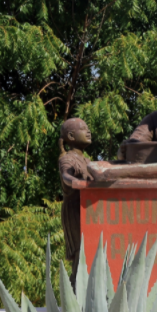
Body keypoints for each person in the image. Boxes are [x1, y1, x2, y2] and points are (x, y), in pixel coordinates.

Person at [58, 118, 93, 281]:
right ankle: (76, 289)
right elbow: (66, 176)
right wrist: (78, 181)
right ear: (71, 136)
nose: (88, 131)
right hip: (75, 210)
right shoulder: (67, 159)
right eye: (83, 129)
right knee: (81, 252)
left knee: (91, 250)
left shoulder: (87, 161)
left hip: (88, 208)